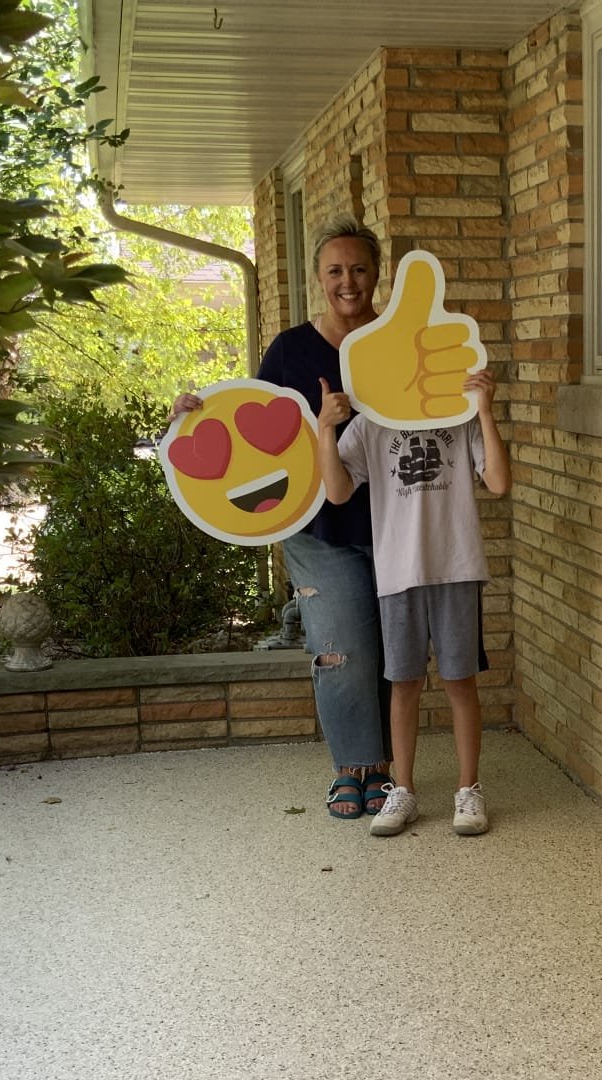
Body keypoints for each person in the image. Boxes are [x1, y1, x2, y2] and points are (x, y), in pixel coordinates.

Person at [173, 217, 391, 821]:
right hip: (320, 530)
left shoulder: (396, 338)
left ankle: (385, 770)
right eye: (335, 271)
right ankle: (353, 770)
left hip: (399, 523)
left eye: (359, 268)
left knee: (392, 649)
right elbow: (249, 427)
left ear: (377, 273)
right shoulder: (292, 350)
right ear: (320, 279)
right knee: (343, 646)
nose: (348, 282)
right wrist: (190, 417)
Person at [315, 369, 508, 837]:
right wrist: (325, 427)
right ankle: (403, 790)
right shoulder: (373, 421)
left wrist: (484, 410)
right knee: (404, 685)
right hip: (398, 574)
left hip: (456, 567)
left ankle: (468, 788)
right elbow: (337, 491)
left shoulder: (458, 415)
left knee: (460, 681)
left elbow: (499, 482)